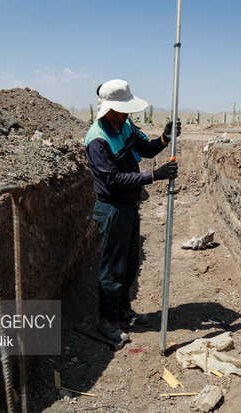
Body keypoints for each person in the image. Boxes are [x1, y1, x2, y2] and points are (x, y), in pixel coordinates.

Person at [84, 79, 181, 343]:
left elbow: (145, 149)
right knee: (112, 268)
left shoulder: (125, 125)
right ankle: (106, 320)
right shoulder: (97, 140)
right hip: (112, 208)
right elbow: (112, 179)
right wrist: (154, 176)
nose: (127, 113)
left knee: (128, 263)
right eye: (122, 108)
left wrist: (164, 138)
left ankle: (122, 311)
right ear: (109, 109)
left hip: (128, 205)